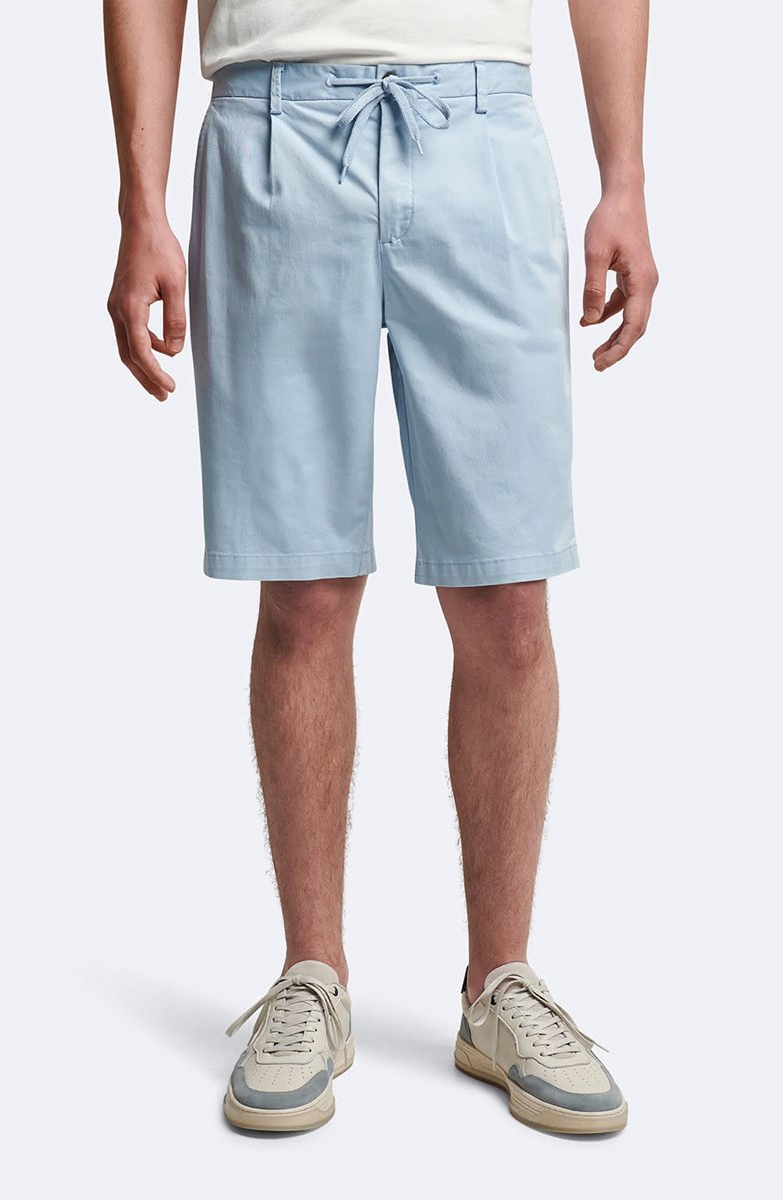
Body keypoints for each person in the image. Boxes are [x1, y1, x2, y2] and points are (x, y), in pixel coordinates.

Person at [105, 0, 657, 1136]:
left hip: (481, 123)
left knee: (506, 593)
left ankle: (499, 984)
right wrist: (139, 202)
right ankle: (312, 975)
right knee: (303, 590)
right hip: (269, 126)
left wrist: (626, 177)